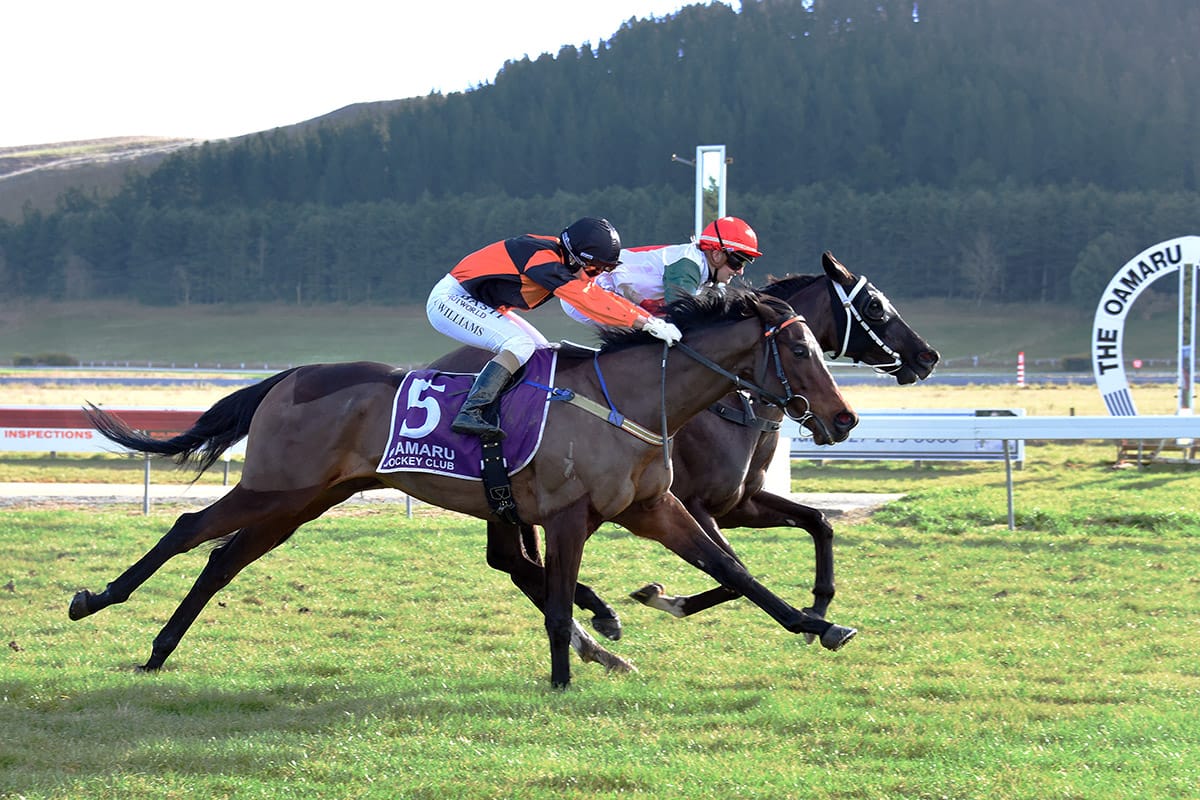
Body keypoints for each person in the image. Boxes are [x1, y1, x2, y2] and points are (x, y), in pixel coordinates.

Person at [426, 217, 683, 442]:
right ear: (575, 257)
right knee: (520, 345)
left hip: (480, 303)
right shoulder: (543, 260)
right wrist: (644, 323)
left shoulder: (561, 257)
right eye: (595, 268)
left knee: (540, 353)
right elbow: (587, 300)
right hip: (451, 299)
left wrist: (651, 320)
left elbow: (597, 294)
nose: (596, 276)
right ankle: (471, 411)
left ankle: (507, 412)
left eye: (606, 270)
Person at [560, 215, 762, 323]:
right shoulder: (688, 266)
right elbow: (680, 315)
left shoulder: (700, 268)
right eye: (738, 261)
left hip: (606, 291)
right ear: (717, 254)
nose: (740, 271)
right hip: (590, 290)